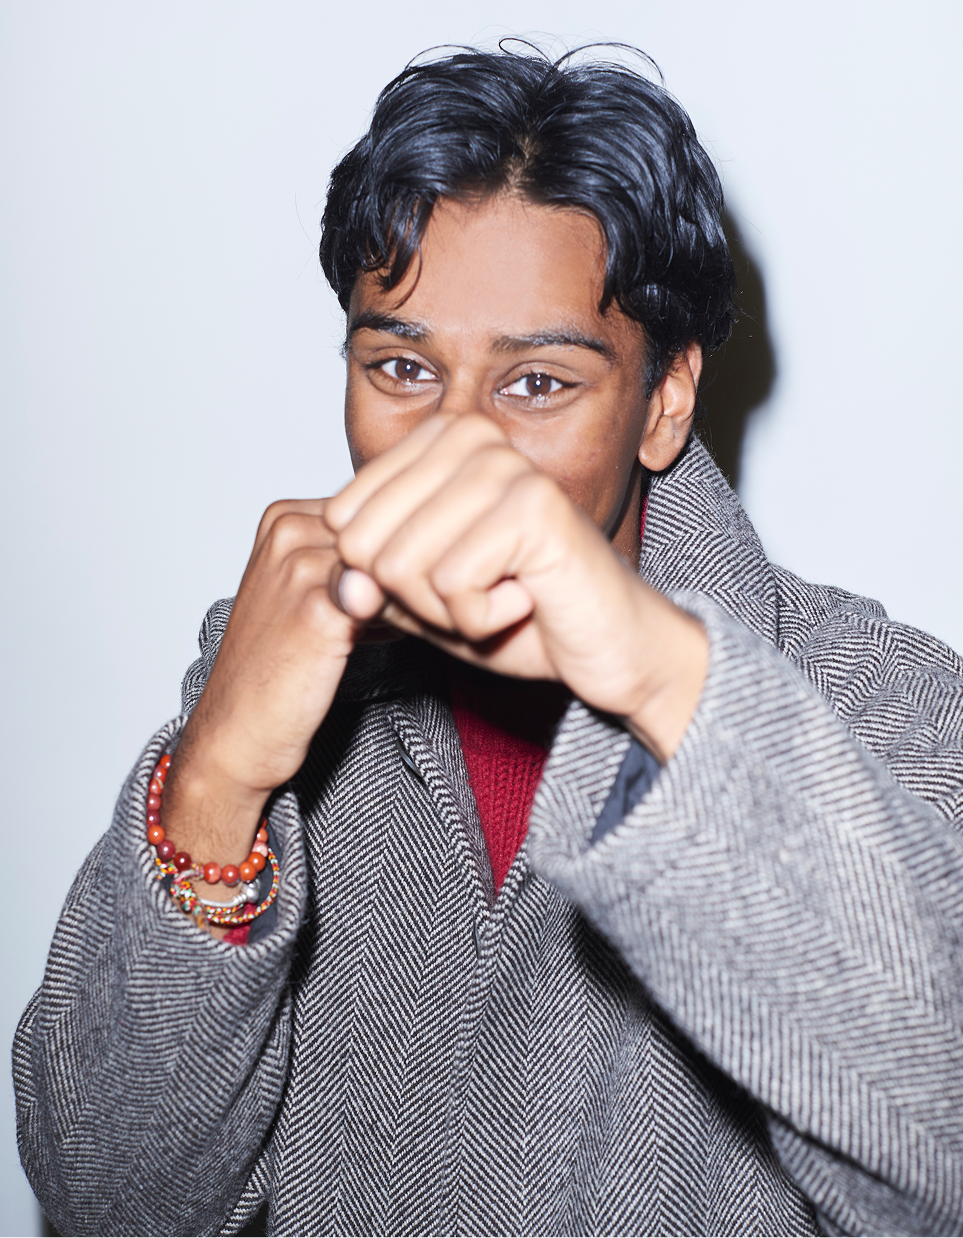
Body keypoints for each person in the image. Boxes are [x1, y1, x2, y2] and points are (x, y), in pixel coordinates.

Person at [13, 45, 963, 1238]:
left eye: (537, 384)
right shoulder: (275, 670)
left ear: (665, 399)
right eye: (402, 367)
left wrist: (661, 678)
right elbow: (105, 1194)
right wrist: (215, 781)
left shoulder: (887, 707)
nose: (453, 449)